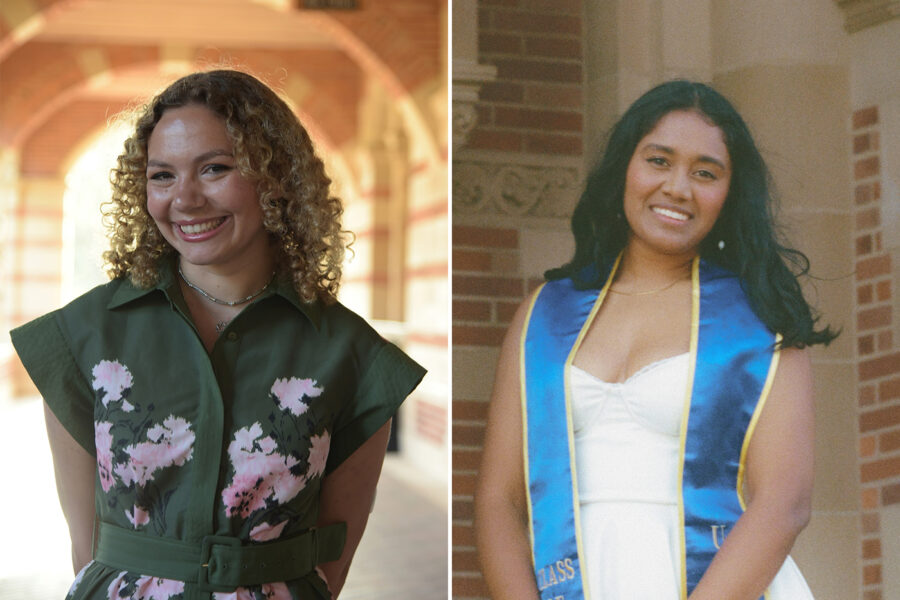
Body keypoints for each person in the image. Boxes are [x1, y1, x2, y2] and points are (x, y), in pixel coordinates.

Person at [10, 69, 425, 600]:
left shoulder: (353, 354)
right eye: (162, 175)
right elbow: (87, 545)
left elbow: (331, 558)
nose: (184, 199)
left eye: (214, 169)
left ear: (274, 178)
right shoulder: (84, 336)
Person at [474, 80, 837, 600]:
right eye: (659, 161)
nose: (678, 188)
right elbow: (497, 500)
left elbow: (785, 501)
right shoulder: (544, 315)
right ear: (625, 167)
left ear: (730, 193)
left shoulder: (760, 319)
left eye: (705, 173)